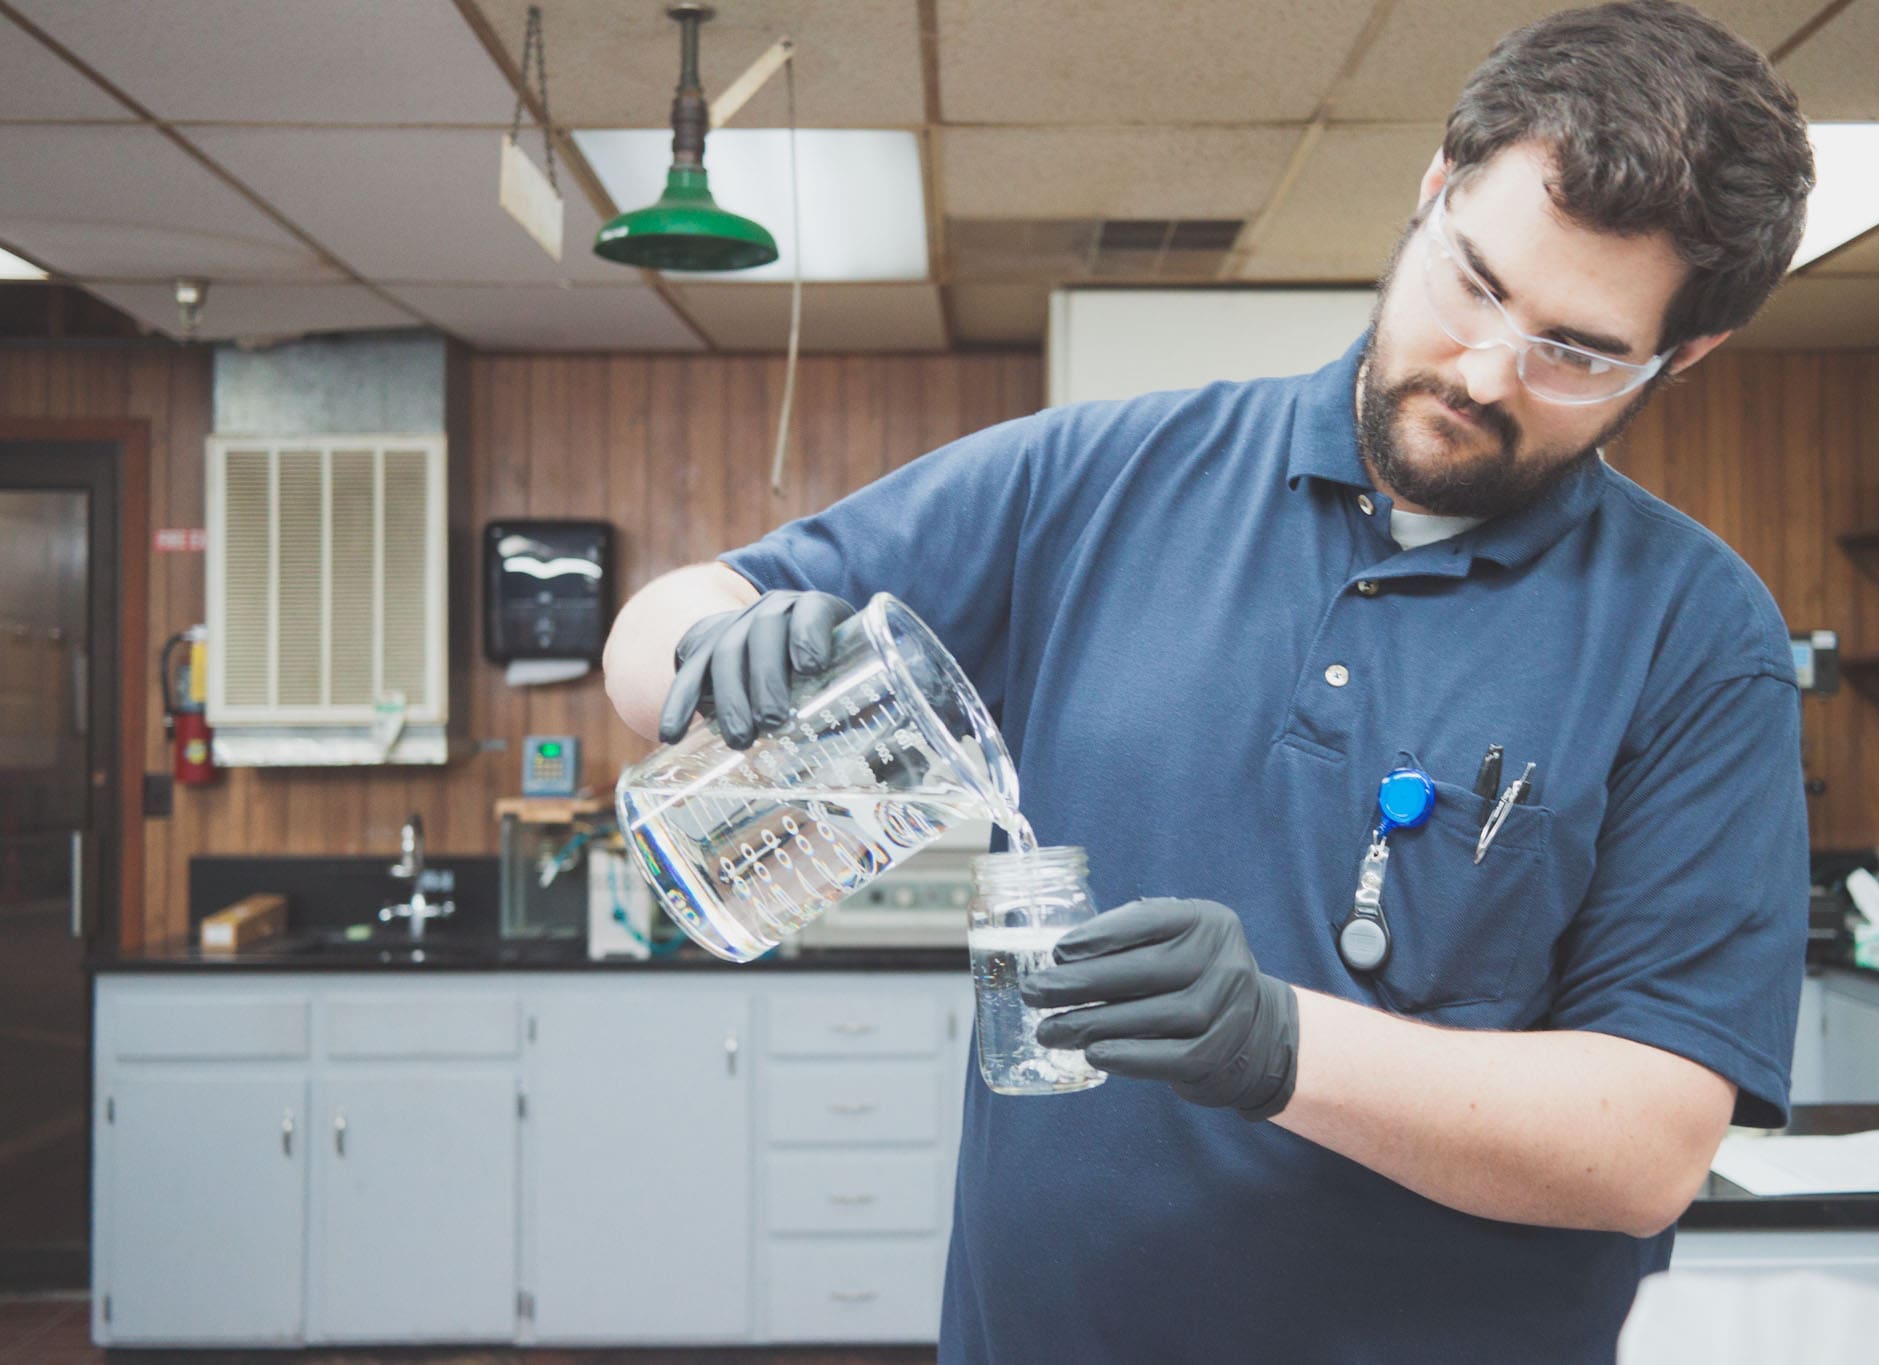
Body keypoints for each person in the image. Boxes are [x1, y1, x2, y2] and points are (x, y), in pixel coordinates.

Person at [603, 2, 1816, 1359]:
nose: (1483, 370)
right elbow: (665, 618)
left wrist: (1281, 1046)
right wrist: (712, 650)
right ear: (1432, 192)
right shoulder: (1104, 478)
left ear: (1683, 356)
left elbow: (1649, 1141)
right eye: (1471, 280)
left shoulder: (1697, 635)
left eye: (1575, 351)